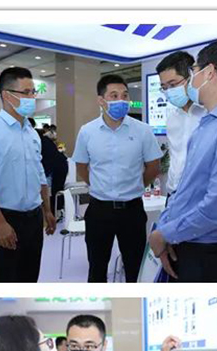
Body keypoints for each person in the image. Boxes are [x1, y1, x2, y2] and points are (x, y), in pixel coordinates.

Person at [149, 39, 217, 282]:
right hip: (185, 240)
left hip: (209, 254)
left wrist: (164, 234)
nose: (192, 78)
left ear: (209, 72)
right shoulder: (209, 123)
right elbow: (187, 188)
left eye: (194, 70)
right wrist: (166, 228)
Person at [72, 74, 162, 283]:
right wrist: (99, 185)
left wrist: (136, 185)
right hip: (99, 209)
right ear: (101, 100)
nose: (121, 100)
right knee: (97, 268)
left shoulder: (142, 130)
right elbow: (81, 167)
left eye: (125, 95)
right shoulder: (87, 132)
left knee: (135, 269)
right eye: (114, 96)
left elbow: (153, 166)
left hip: (132, 210)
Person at [0, 67, 57, 283]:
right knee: (2, 282)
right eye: (26, 92)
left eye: (33, 92)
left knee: (29, 279)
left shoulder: (31, 133)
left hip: (34, 219)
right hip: (5, 217)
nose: (32, 97)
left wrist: (47, 210)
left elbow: (39, 173)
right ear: (7, 95)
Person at [156, 51, 206, 198]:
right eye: (164, 87)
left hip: (198, 196)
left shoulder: (208, 113)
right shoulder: (172, 118)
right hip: (173, 194)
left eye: (173, 84)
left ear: (190, 78)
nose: (169, 91)